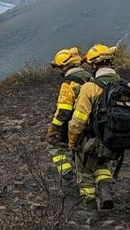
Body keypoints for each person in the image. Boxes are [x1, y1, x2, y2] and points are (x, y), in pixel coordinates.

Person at [68, 44, 130, 214]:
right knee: (102, 165)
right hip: (116, 141)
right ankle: (105, 193)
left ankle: (89, 206)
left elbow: (78, 120)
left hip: (92, 142)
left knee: (85, 172)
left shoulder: (89, 88)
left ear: (93, 65)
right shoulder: (128, 87)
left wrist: (72, 140)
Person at [46, 47, 91, 182]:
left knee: (53, 145)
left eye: (60, 68)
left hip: (75, 125)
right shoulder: (92, 79)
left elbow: (64, 111)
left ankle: (67, 173)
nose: (60, 71)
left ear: (65, 66)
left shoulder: (69, 84)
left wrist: (54, 129)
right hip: (94, 125)